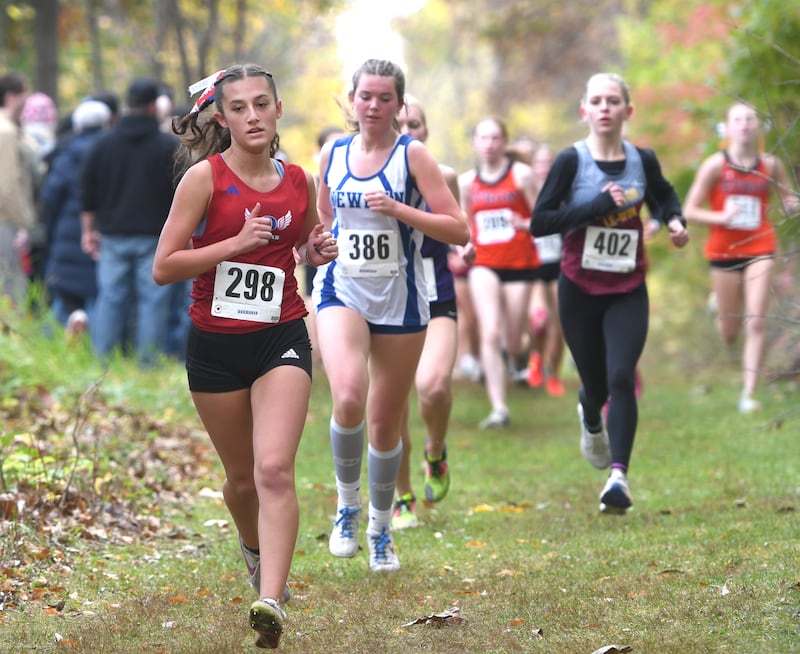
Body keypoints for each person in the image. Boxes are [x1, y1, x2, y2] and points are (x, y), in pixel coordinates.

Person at [153, 63, 337, 649]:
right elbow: (164, 266)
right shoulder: (204, 180)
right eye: (239, 107)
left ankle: (271, 599)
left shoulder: (299, 180)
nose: (253, 116)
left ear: (279, 109)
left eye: (262, 104)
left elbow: (301, 244)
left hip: (279, 333)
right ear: (222, 116)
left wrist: (315, 248)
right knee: (241, 480)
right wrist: (232, 244)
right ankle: (254, 552)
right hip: (214, 345)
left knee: (274, 469)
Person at [313, 59, 469, 572]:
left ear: (399, 105)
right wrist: (314, 248)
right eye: (366, 97)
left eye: (385, 98)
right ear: (351, 100)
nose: (374, 106)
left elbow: (457, 229)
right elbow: (322, 224)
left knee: (384, 426)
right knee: (349, 395)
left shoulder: (413, 156)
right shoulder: (331, 153)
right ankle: (346, 508)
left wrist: (400, 209)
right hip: (343, 290)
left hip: (402, 298)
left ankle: (381, 528)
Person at [532, 72, 689, 514]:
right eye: (596, 101)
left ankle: (618, 477)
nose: (604, 108)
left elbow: (663, 195)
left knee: (622, 377)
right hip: (579, 287)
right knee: (596, 385)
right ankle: (589, 412)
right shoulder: (571, 161)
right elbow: (541, 222)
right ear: (585, 110)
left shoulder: (642, 159)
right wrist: (597, 206)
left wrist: (674, 220)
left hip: (628, 286)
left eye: (613, 101)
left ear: (627, 111)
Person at [683, 102, 799, 414]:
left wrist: (791, 204)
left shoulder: (771, 164)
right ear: (728, 127)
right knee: (729, 331)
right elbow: (689, 211)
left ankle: (749, 394)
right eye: (738, 119)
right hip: (723, 250)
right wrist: (722, 215)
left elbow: (788, 195)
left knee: (757, 321)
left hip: (761, 246)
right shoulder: (714, 166)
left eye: (750, 118)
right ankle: (719, 304)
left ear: (758, 126)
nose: (745, 124)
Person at [391, 95, 460, 530]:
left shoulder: (445, 176)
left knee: (432, 388)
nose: (406, 131)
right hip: (388, 301)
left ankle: (436, 450)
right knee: (392, 402)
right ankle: (402, 498)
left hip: (436, 295)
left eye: (414, 124)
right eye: (399, 124)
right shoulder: (363, 175)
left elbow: (460, 228)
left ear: (426, 132)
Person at [81, 77, 179, 367]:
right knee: (153, 301)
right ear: (153, 107)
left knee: (110, 298)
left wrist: (88, 231)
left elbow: (87, 191)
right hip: (155, 236)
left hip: (112, 234)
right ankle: (147, 362)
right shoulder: (167, 146)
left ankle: (103, 362)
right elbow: (180, 193)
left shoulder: (104, 143)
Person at [459, 116, 540, 428]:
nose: (490, 144)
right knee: (489, 332)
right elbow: (463, 223)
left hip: (520, 265)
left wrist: (525, 224)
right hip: (485, 263)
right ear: (475, 143)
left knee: (513, 339)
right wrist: (461, 247)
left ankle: (520, 356)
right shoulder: (467, 182)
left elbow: (543, 217)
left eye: (495, 138)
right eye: (484, 138)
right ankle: (499, 408)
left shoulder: (521, 175)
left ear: (504, 142)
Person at [41, 99, 112, 337]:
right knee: (99, 290)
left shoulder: (67, 150)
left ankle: (63, 335)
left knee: (64, 289)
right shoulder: (108, 148)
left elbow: (51, 194)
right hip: (103, 231)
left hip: (68, 230)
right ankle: (96, 339)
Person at [525, 143, 567, 397]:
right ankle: (536, 356)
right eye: (539, 162)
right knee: (539, 319)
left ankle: (554, 374)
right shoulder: (524, 191)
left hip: (558, 263)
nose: (544, 168)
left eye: (548, 162)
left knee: (559, 321)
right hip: (532, 265)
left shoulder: (563, 193)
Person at [0, 72, 36, 309]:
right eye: (24, 95)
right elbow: (7, 188)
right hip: (6, 223)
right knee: (12, 295)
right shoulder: (6, 132)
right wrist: (24, 224)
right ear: (12, 97)